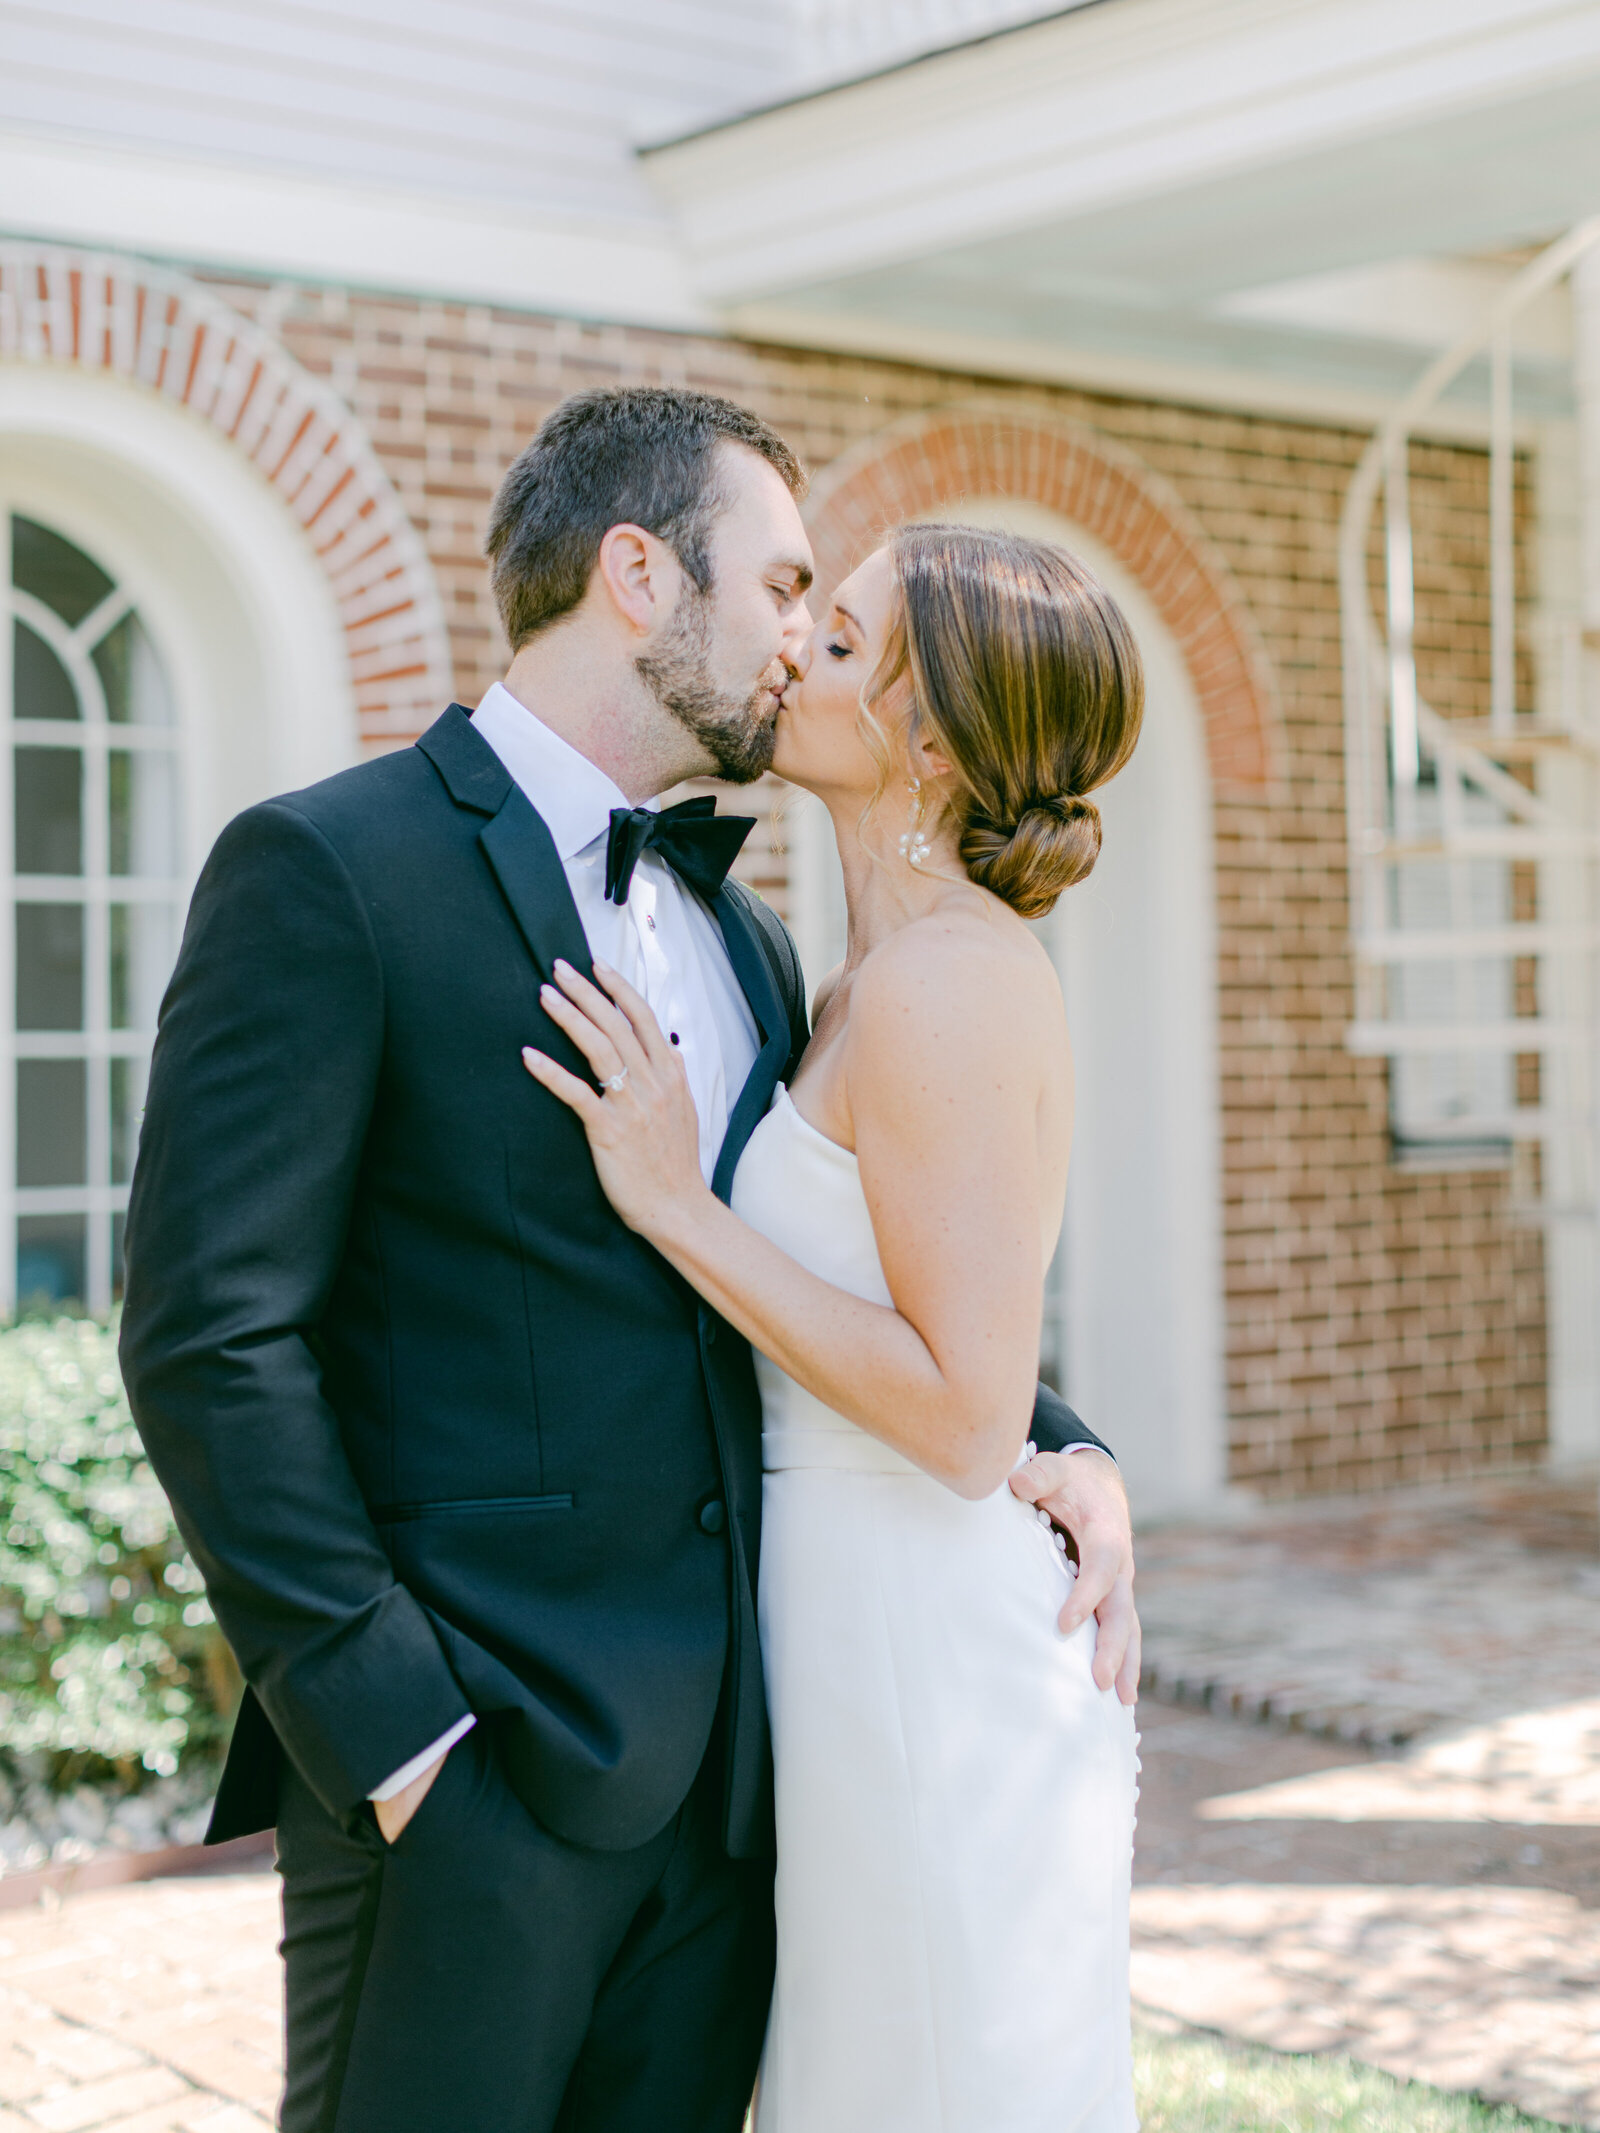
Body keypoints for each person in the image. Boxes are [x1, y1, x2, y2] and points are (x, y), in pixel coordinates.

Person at [119, 388, 1138, 2133]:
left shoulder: (754, 949)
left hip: (747, 1801)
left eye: (840, 616)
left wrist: (1064, 1441)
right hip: (471, 1797)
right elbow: (213, 1336)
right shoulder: (331, 870)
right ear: (639, 573)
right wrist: (399, 1742)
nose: (805, 641)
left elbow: (829, 1276)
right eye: (785, 587)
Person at [525, 519, 1145, 2132]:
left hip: (926, 1667)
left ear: (929, 740)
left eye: (844, 638)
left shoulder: (945, 981)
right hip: (848, 1631)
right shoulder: (860, 975)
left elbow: (955, 1413)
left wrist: (679, 1206)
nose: (793, 647)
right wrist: (1081, 1456)